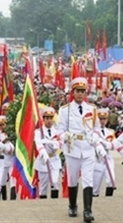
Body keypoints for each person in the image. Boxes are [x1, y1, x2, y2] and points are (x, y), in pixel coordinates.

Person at [57, 77, 105, 222]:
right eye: (77, 91)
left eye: (82, 91)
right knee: (72, 179)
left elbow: (97, 127)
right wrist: (65, 136)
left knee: (88, 179)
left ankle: (88, 211)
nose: (80, 94)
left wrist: (95, 138)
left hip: (88, 148)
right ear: (73, 92)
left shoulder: (92, 109)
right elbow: (60, 130)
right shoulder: (65, 110)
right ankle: (72, 205)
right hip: (73, 148)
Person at [34, 107, 61, 199]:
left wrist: (50, 142)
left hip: (54, 159)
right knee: (43, 186)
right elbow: (38, 143)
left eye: (51, 118)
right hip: (43, 161)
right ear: (43, 119)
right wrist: (43, 152)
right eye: (47, 118)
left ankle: (55, 203)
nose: (49, 121)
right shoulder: (38, 132)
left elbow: (60, 144)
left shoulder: (57, 131)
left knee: (55, 182)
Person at [92, 109, 116, 197]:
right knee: (95, 186)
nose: (102, 121)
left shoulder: (110, 132)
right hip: (97, 159)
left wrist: (106, 144)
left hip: (107, 158)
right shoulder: (92, 132)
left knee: (111, 180)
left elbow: (113, 145)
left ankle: (109, 200)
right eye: (100, 119)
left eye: (104, 119)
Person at [0, 115, 16, 200]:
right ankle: (4, 199)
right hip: (2, 161)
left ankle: (13, 199)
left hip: (11, 160)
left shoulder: (12, 134)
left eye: (3, 124)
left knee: (13, 180)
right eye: (0, 125)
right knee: (2, 181)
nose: (2, 127)